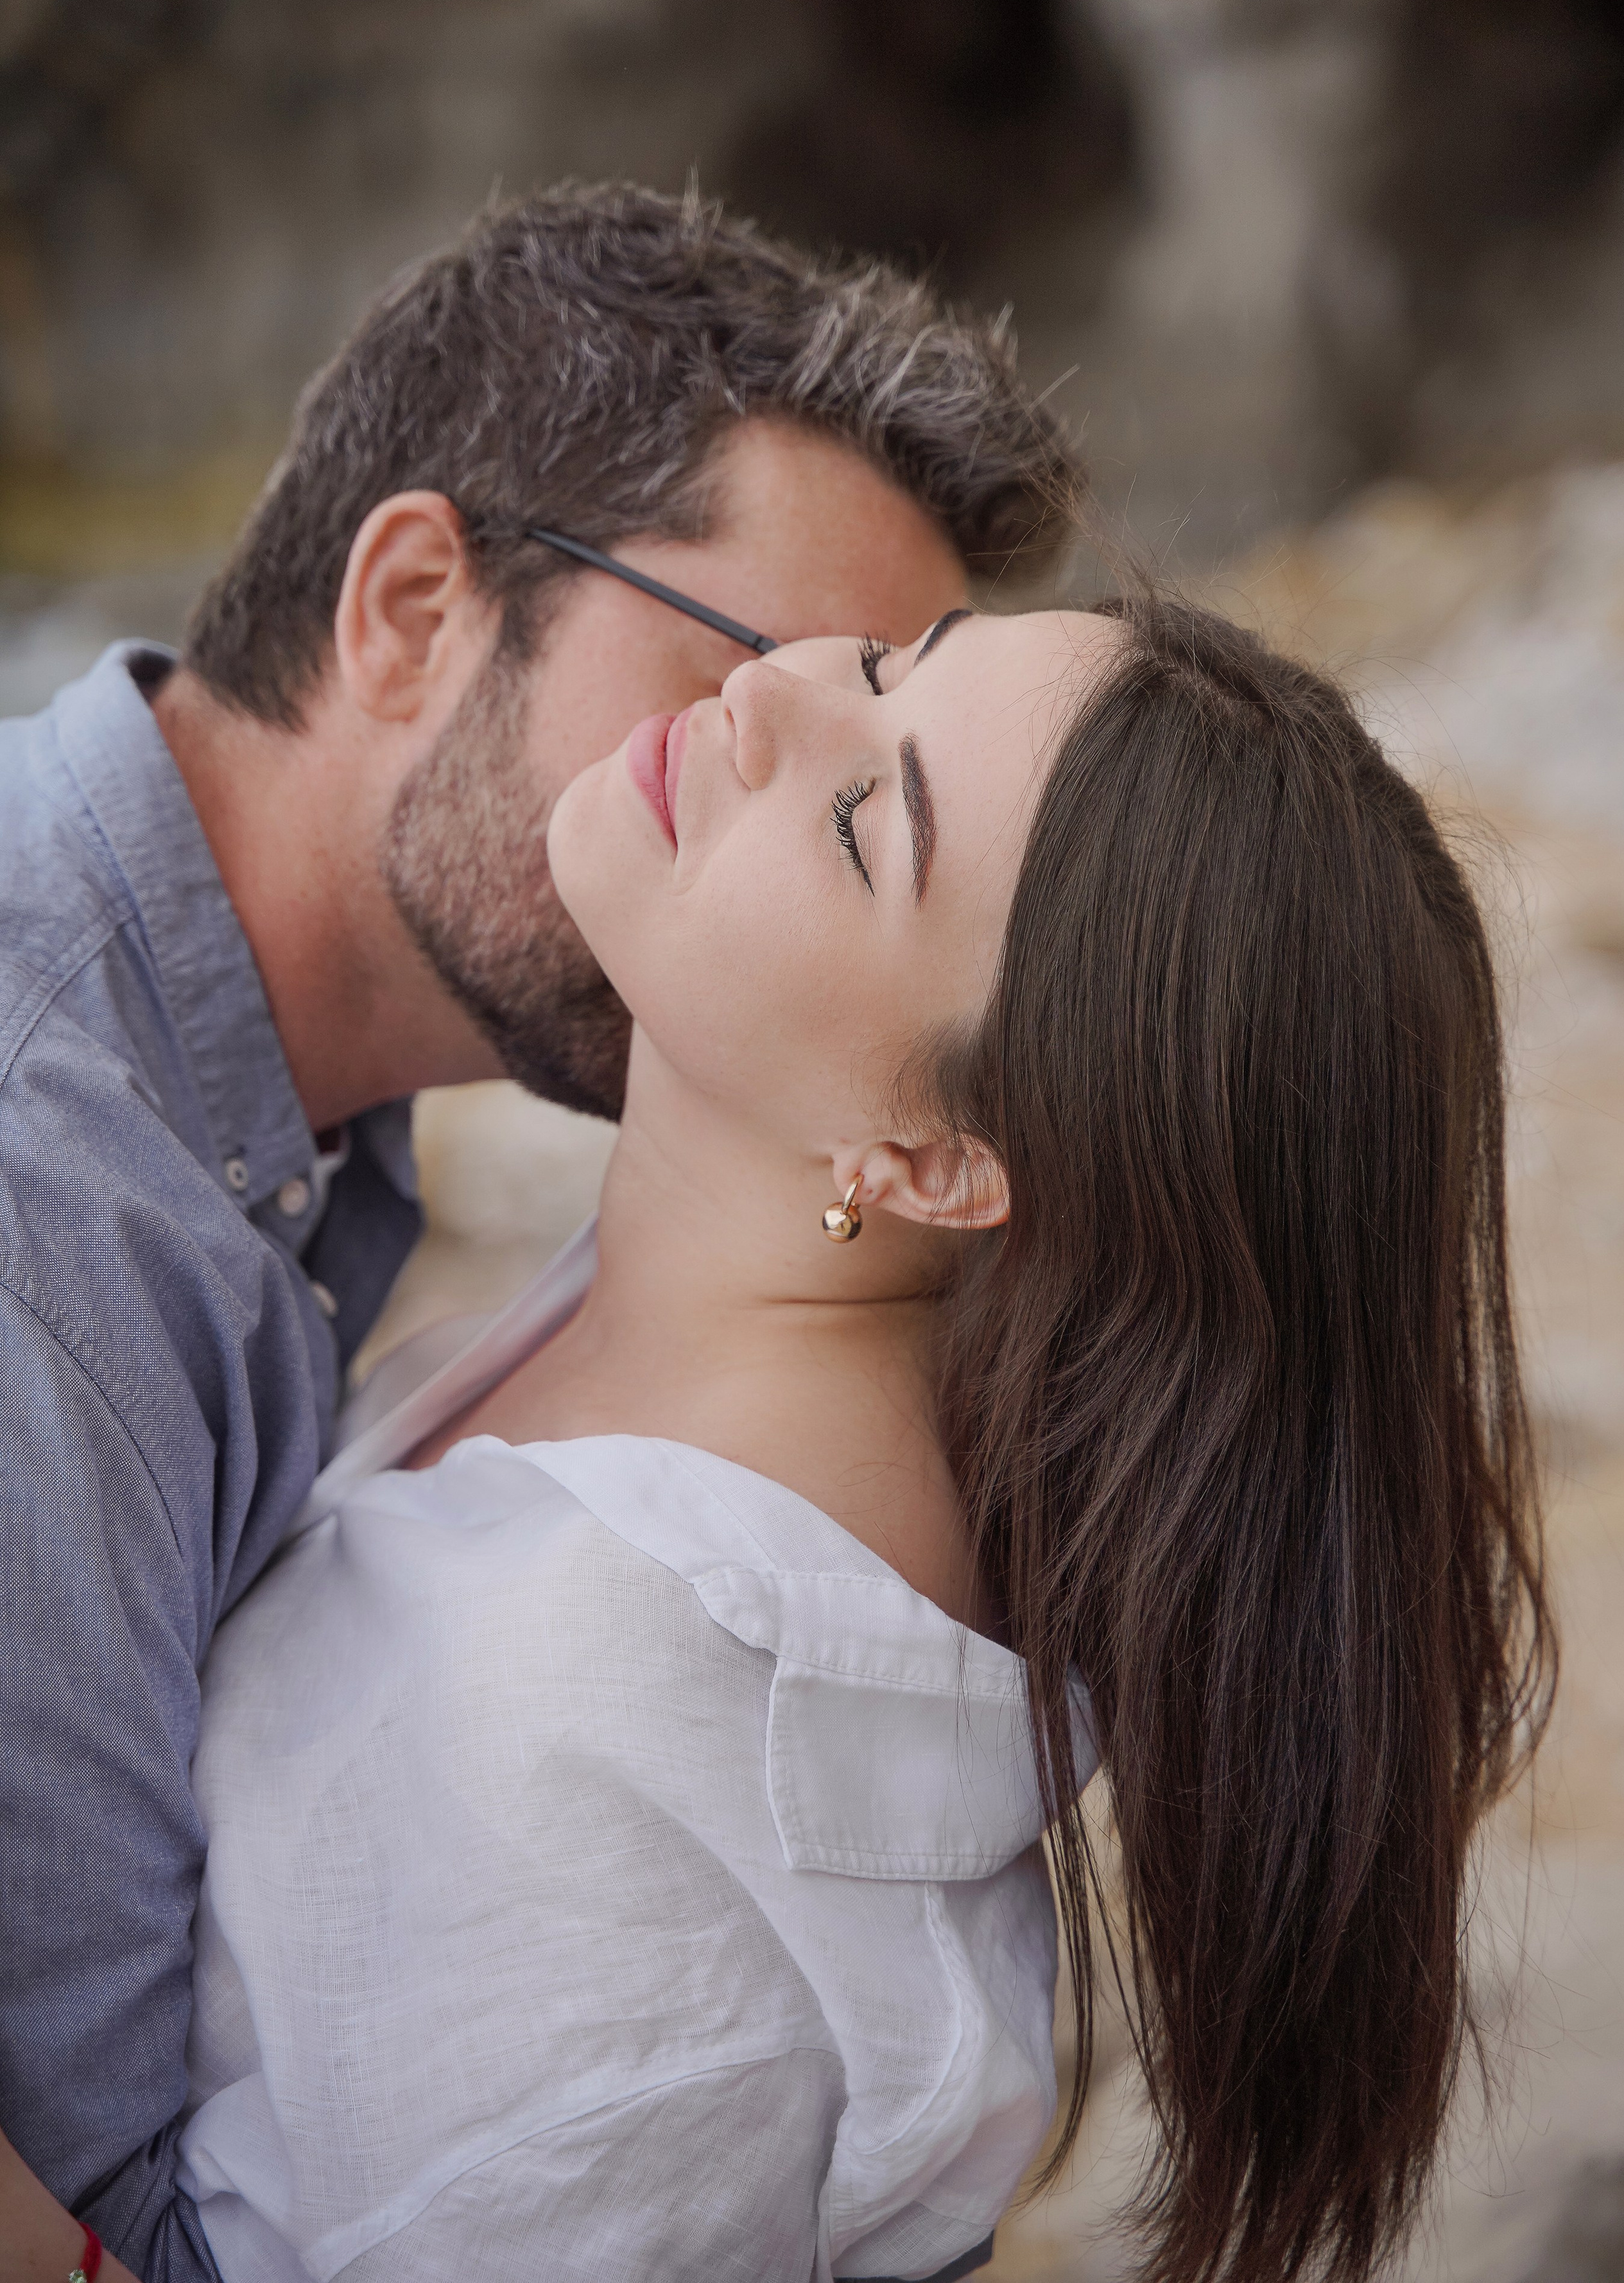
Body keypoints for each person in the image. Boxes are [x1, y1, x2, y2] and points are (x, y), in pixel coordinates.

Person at [170, 596, 1549, 2280]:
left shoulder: (626, 1797)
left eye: (861, 821)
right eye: (893, 660)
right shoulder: (704, 1352)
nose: (766, 692)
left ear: (943, 1159)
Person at [0, 182, 1079, 2282]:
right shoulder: (50, 1223)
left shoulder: (275, 1123)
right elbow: (110, 2178)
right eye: (741, 674)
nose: (758, 751)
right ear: (410, 607)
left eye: (859, 712)